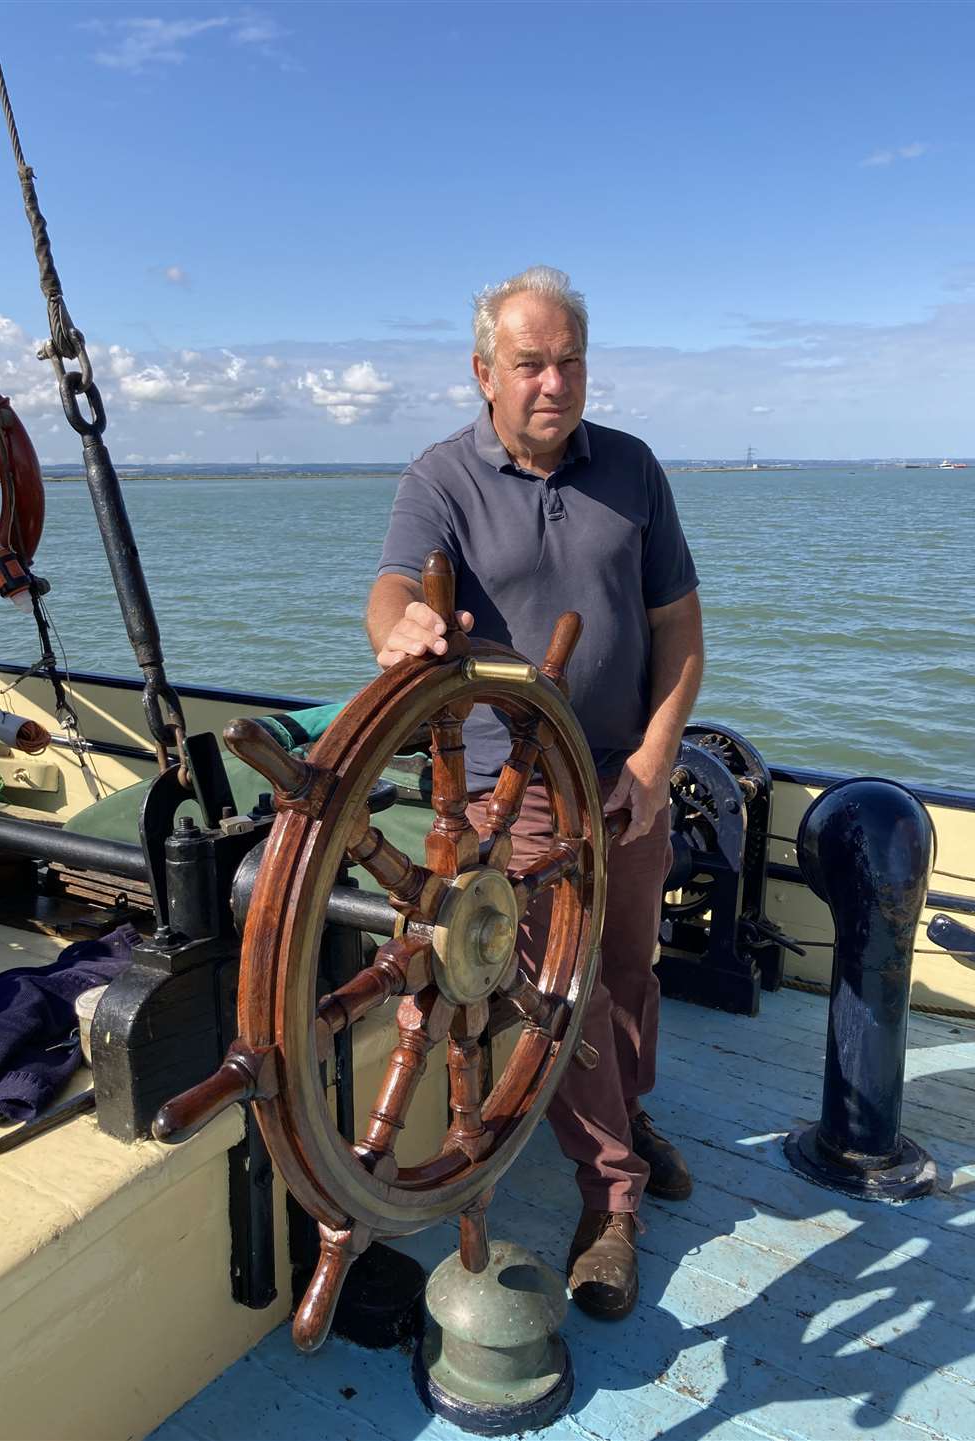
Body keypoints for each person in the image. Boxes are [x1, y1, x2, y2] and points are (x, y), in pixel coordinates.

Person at [365, 265, 704, 1320]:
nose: (555, 382)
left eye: (571, 361)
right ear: (484, 372)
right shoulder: (440, 480)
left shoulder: (635, 471)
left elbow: (681, 633)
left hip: (627, 783)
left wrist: (655, 760)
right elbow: (388, 590)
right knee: (571, 1000)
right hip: (514, 795)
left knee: (630, 969)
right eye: (531, 363)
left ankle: (629, 1120)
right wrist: (400, 632)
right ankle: (613, 1202)